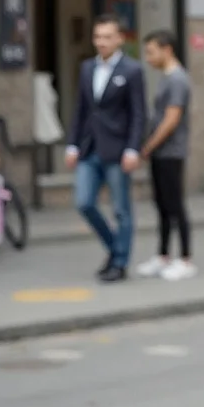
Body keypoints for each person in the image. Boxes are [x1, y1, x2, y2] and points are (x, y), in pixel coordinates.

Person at [65, 14, 146, 283]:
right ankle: (115, 248)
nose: (102, 42)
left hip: (118, 149)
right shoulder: (87, 67)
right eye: (98, 37)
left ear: (120, 38)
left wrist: (133, 149)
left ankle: (119, 263)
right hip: (89, 147)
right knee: (84, 202)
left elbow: (138, 114)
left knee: (121, 209)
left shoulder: (132, 70)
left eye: (107, 37)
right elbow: (81, 109)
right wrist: (73, 144)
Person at [138, 30, 196, 281]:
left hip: (171, 152)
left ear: (167, 49)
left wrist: (148, 146)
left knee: (175, 205)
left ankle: (185, 258)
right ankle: (163, 255)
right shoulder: (166, 78)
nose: (148, 57)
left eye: (151, 52)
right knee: (162, 205)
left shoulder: (177, 80)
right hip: (162, 153)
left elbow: (171, 119)